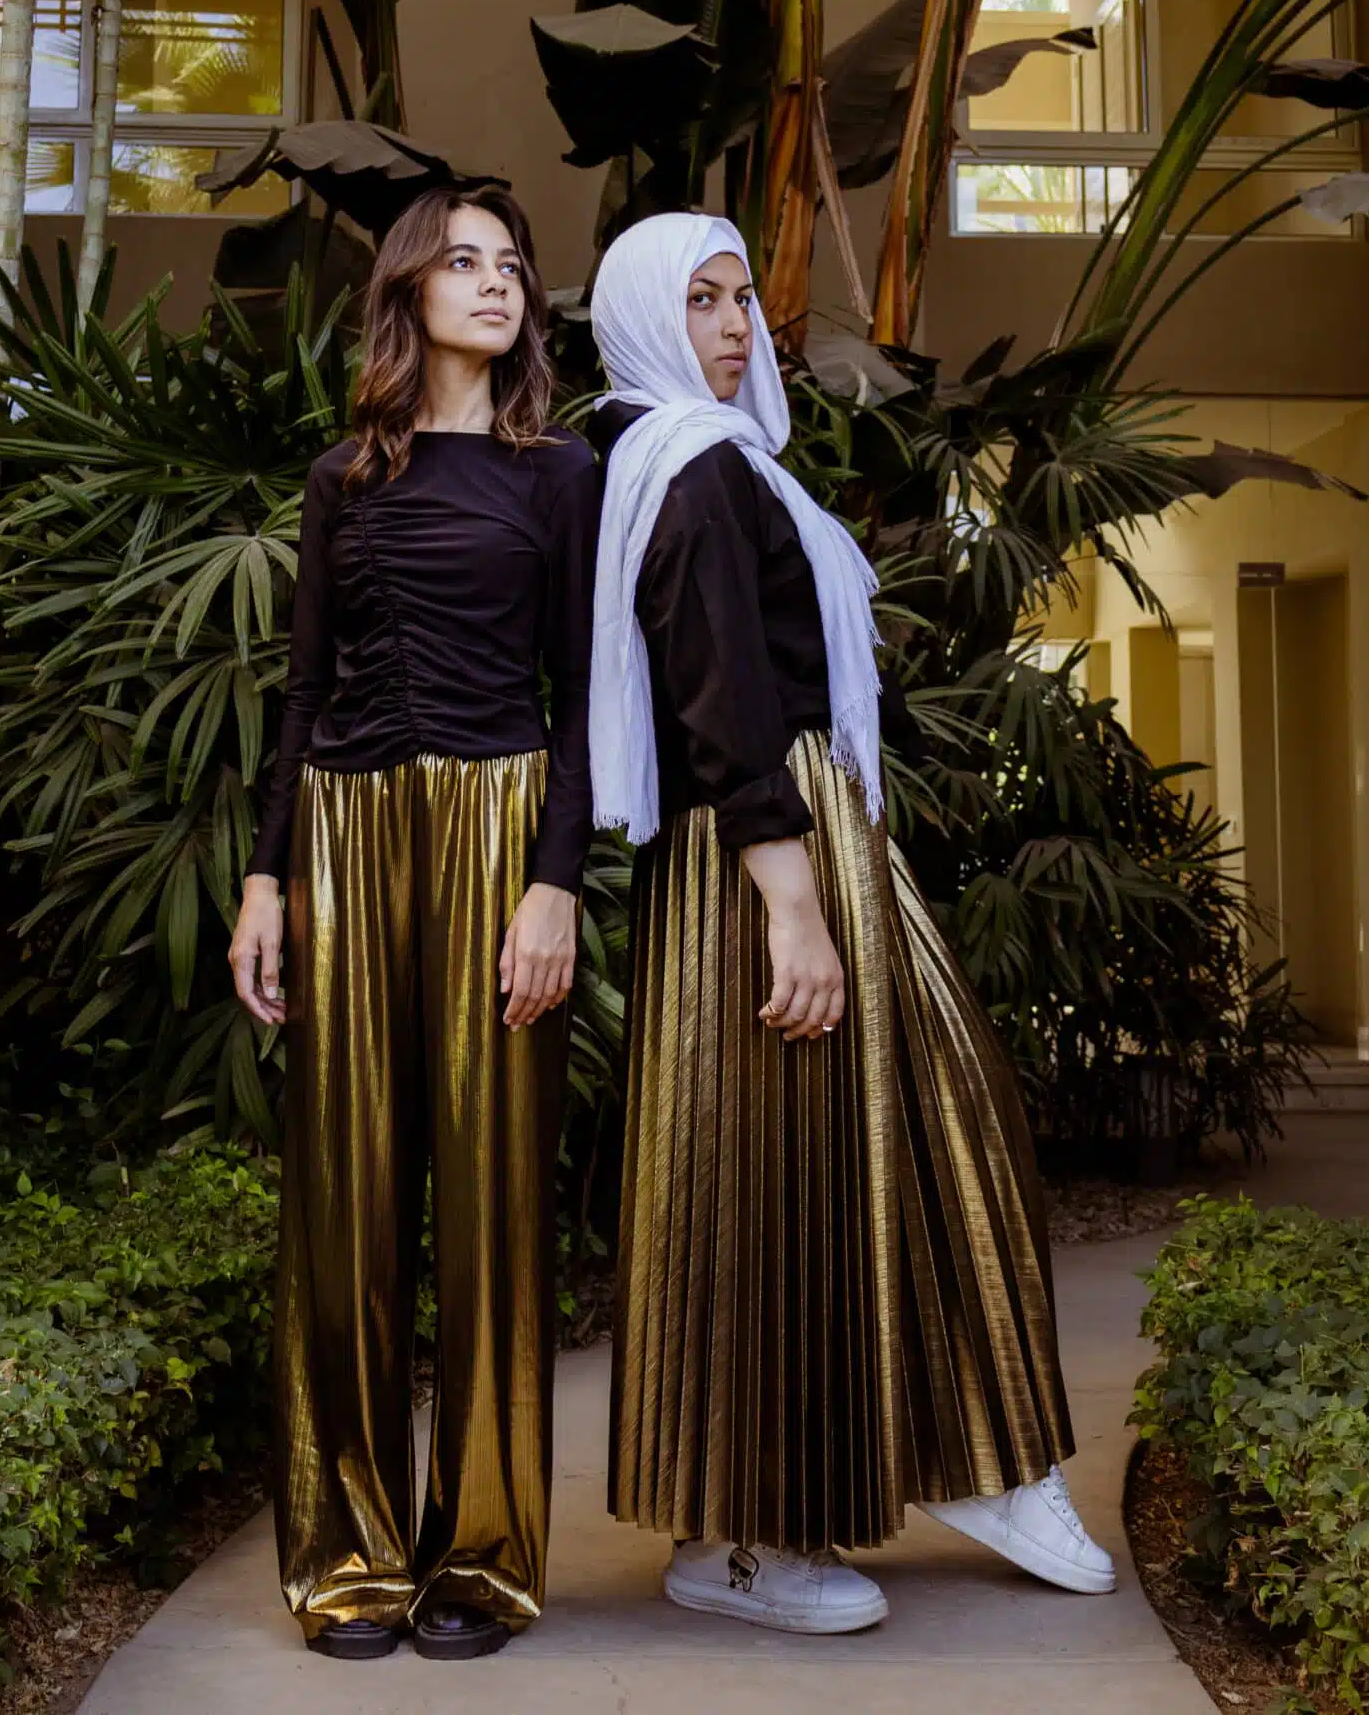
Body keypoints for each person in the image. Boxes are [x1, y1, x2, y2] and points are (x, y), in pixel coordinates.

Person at [590, 212, 1114, 1635]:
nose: (731, 327)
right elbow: (718, 697)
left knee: (923, 1128)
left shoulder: (719, 460)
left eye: (739, 299)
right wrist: (792, 907)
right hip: (763, 852)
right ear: (639, 318)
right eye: (698, 301)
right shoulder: (689, 469)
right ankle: (744, 1538)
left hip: (808, 832)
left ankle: (975, 1450)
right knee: (769, 1177)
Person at [229, 185, 599, 1662]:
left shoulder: (561, 473)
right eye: (465, 260)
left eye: (512, 265)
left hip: (502, 829)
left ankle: (484, 1559)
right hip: (344, 830)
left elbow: (588, 699)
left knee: (496, 1200)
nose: (498, 283)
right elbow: (303, 689)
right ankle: (353, 1554)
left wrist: (557, 883)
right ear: (409, 291)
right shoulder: (343, 477)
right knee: (347, 1202)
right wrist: (266, 881)